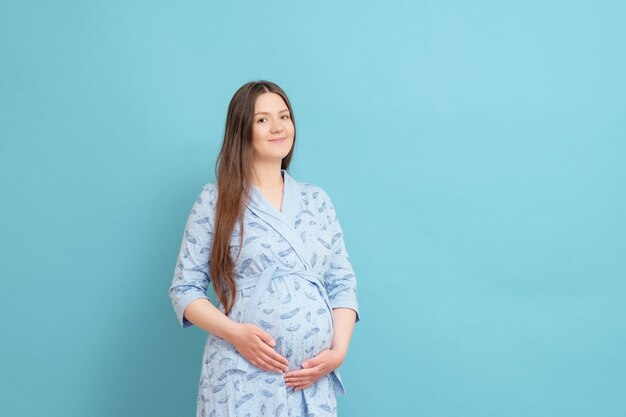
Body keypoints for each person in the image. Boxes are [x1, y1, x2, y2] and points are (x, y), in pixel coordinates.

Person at [169, 80, 360, 417]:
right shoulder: (215, 201)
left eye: (284, 116)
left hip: (309, 378)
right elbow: (184, 290)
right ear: (242, 131)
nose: (278, 127)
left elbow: (342, 284)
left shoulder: (318, 201)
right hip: (241, 374)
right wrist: (236, 334)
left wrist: (338, 351)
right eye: (262, 120)